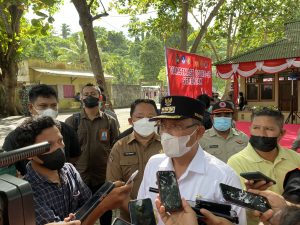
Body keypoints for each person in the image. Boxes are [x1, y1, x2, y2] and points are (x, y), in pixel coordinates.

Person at [137, 95, 246, 225]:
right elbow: (141, 212)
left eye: (176, 126)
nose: (166, 134)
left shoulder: (224, 176)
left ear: (199, 132)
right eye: (163, 126)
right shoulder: (153, 164)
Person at [13, 116, 132, 225]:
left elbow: (87, 204)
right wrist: (102, 205)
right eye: (48, 145)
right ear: (28, 153)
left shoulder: (69, 169)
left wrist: (104, 194)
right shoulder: (27, 193)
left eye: (60, 141)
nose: (59, 148)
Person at [227, 107, 300, 225]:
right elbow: (237, 205)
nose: (261, 134)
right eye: (256, 128)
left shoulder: (296, 159)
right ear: (250, 129)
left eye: (269, 129)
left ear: (281, 133)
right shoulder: (236, 162)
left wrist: (287, 208)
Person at [65, 83, 119, 225]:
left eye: (93, 94)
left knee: (105, 210)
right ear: (81, 98)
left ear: (99, 97)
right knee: (80, 214)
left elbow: (115, 147)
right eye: (86, 94)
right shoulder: (72, 121)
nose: (89, 97)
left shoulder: (110, 121)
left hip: (103, 175)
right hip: (79, 177)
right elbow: (66, 150)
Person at [3, 84, 81, 175]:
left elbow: (74, 156)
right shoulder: (14, 138)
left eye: (53, 105)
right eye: (43, 106)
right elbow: (8, 168)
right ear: (31, 108)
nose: (49, 110)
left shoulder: (67, 130)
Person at [106, 99, 162, 221]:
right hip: (129, 216)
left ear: (157, 121)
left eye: (151, 117)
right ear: (131, 121)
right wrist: (140, 214)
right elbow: (114, 187)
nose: (145, 120)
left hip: (164, 216)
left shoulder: (166, 145)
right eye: (139, 117)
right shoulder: (119, 147)